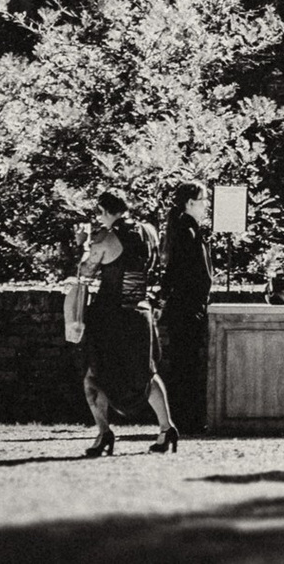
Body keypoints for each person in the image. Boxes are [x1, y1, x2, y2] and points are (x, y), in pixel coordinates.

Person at [76, 189, 178, 455]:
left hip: (113, 316)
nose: (98, 218)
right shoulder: (149, 231)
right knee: (147, 374)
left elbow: (85, 271)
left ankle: (104, 433)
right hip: (141, 313)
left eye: (99, 212)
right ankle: (166, 428)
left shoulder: (107, 238)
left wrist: (83, 244)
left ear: (107, 211)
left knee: (94, 374)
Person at [158, 181, 214, 439]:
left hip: (186, 308)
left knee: (186, 365)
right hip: (187, 309)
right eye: (203, 200)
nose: (207, 205)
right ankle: (186, 420)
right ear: (190, 203)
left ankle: (185, 418)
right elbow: (184, 273)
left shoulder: (186, 229)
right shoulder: (186, 231)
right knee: (186, 367)